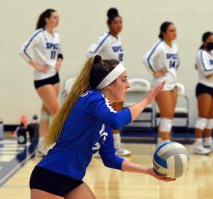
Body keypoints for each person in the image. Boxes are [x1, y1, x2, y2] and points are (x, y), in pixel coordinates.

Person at [30, 55, 173, 199]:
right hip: (50, 176)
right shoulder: (92, 98)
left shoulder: (104, 117)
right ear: (109, 84)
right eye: (123, 80)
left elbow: (110, 159)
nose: (128, 85)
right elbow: (117, 121)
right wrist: (146, 100)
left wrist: (148, 171)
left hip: (72, 180)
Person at [20, 9, 63, 156]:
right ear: (47, 19)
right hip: (42, 78)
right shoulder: (39, 34)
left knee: (46, 112)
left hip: (55, 77)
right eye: (55, 17)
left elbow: (60, 52)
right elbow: (23, 50)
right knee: (57, 113)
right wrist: (36, 65)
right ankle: (58, 144)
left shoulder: (56, 35)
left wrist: (59, 61)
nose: (57, 20)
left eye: (58, 18)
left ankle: (42, 145)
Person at [85, 8, 128, 156]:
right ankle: (97, 146)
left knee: (116, 112)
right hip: (108, 82)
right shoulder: (105, 38)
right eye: (115, 22)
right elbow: (90, 53)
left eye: (120, 22)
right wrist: (102, 69)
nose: (119, 25)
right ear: (109, 24)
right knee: (105, 113)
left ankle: (116, 145)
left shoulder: (118, 39)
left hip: (118, 80)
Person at [143, 21, 179, 145]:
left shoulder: (174, 46)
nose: (174, 33)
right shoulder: (160, 45)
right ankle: (166, 143)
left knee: (169, 116)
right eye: (171, 31)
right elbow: (146, 58)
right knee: (167, 114)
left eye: (175, 30)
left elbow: (176, 63)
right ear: (163, 33)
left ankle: (160, 142)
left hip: (173, 83)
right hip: (161, 84)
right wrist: (155, 72)